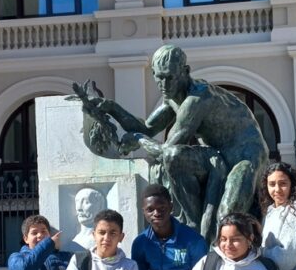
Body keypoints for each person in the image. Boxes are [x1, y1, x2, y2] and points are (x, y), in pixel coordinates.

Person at [80, 44, 268, 241]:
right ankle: (193, 228)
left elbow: (167, 150)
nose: (164, 84)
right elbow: (147, 128)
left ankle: (201, 235)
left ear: (185, 72)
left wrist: (138, 140)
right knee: (177, 162)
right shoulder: (173, 97)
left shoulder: (198, 98)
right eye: (159, 77)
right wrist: (112, 108)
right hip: (218, 156)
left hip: (245, 157)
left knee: (226, 216)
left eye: (170, 77)